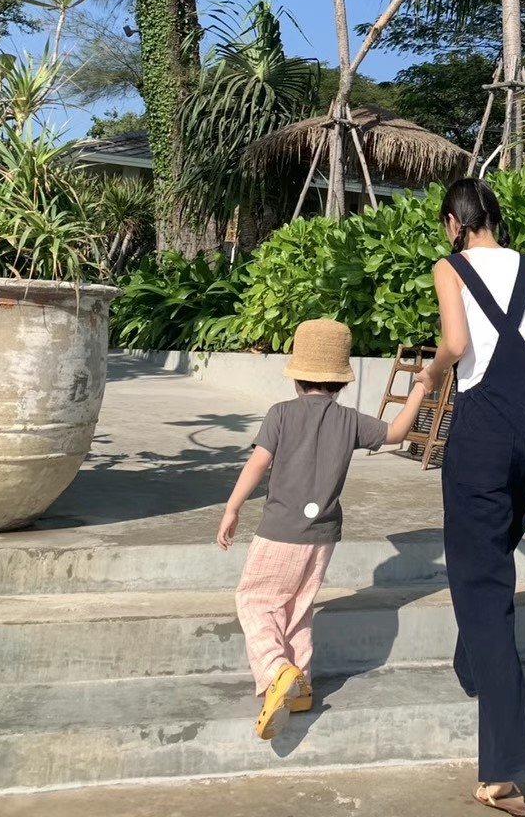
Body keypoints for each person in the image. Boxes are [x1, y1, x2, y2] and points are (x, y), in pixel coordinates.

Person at [415, 177, 525, 817]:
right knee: (487, 565)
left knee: (481, 581)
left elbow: (457, 344)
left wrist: (428, 378)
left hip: (485, 430)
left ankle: (505, 772)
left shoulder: (449, 268)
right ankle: (473, 661)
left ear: (454, 223)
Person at [217, 317, 426, 741]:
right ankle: (301, 689)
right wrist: (422, 387)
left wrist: (232, 508)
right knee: (298, 608)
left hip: (280, 530)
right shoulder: (349, 420)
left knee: (256, 600)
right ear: (341, 381)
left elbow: (258, 463)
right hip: (323, 537)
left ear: (297, 376)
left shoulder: (281, 414)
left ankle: (277, 671)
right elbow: (398, 432)